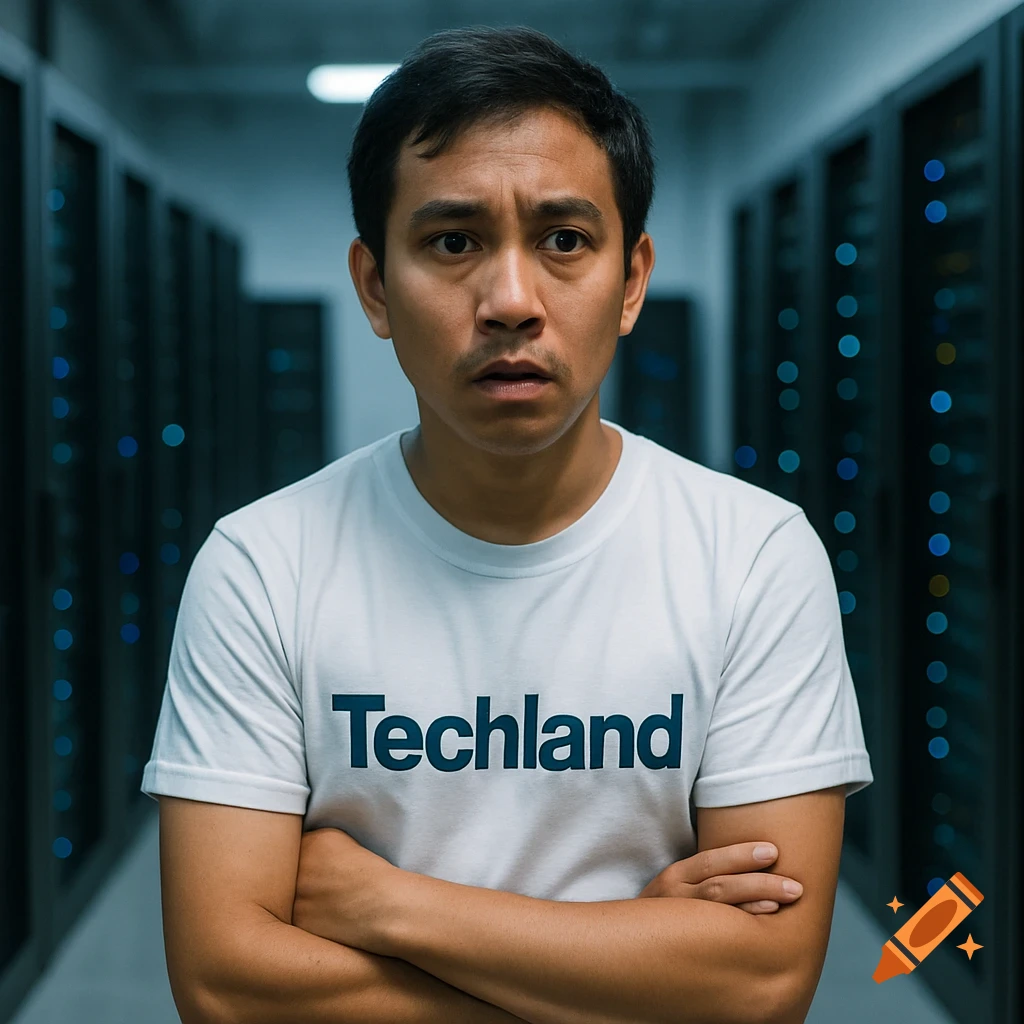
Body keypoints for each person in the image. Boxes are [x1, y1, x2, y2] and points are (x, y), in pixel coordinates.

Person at [144, 24, 873, 1024]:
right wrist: (630, 974)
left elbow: (759, 985)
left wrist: (384, 904)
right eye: (453, 242)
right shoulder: (263, 566)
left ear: (630, 282)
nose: (511, 300)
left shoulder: (750, 554)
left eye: (564, 240)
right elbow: (227, 987)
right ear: (374, 287)